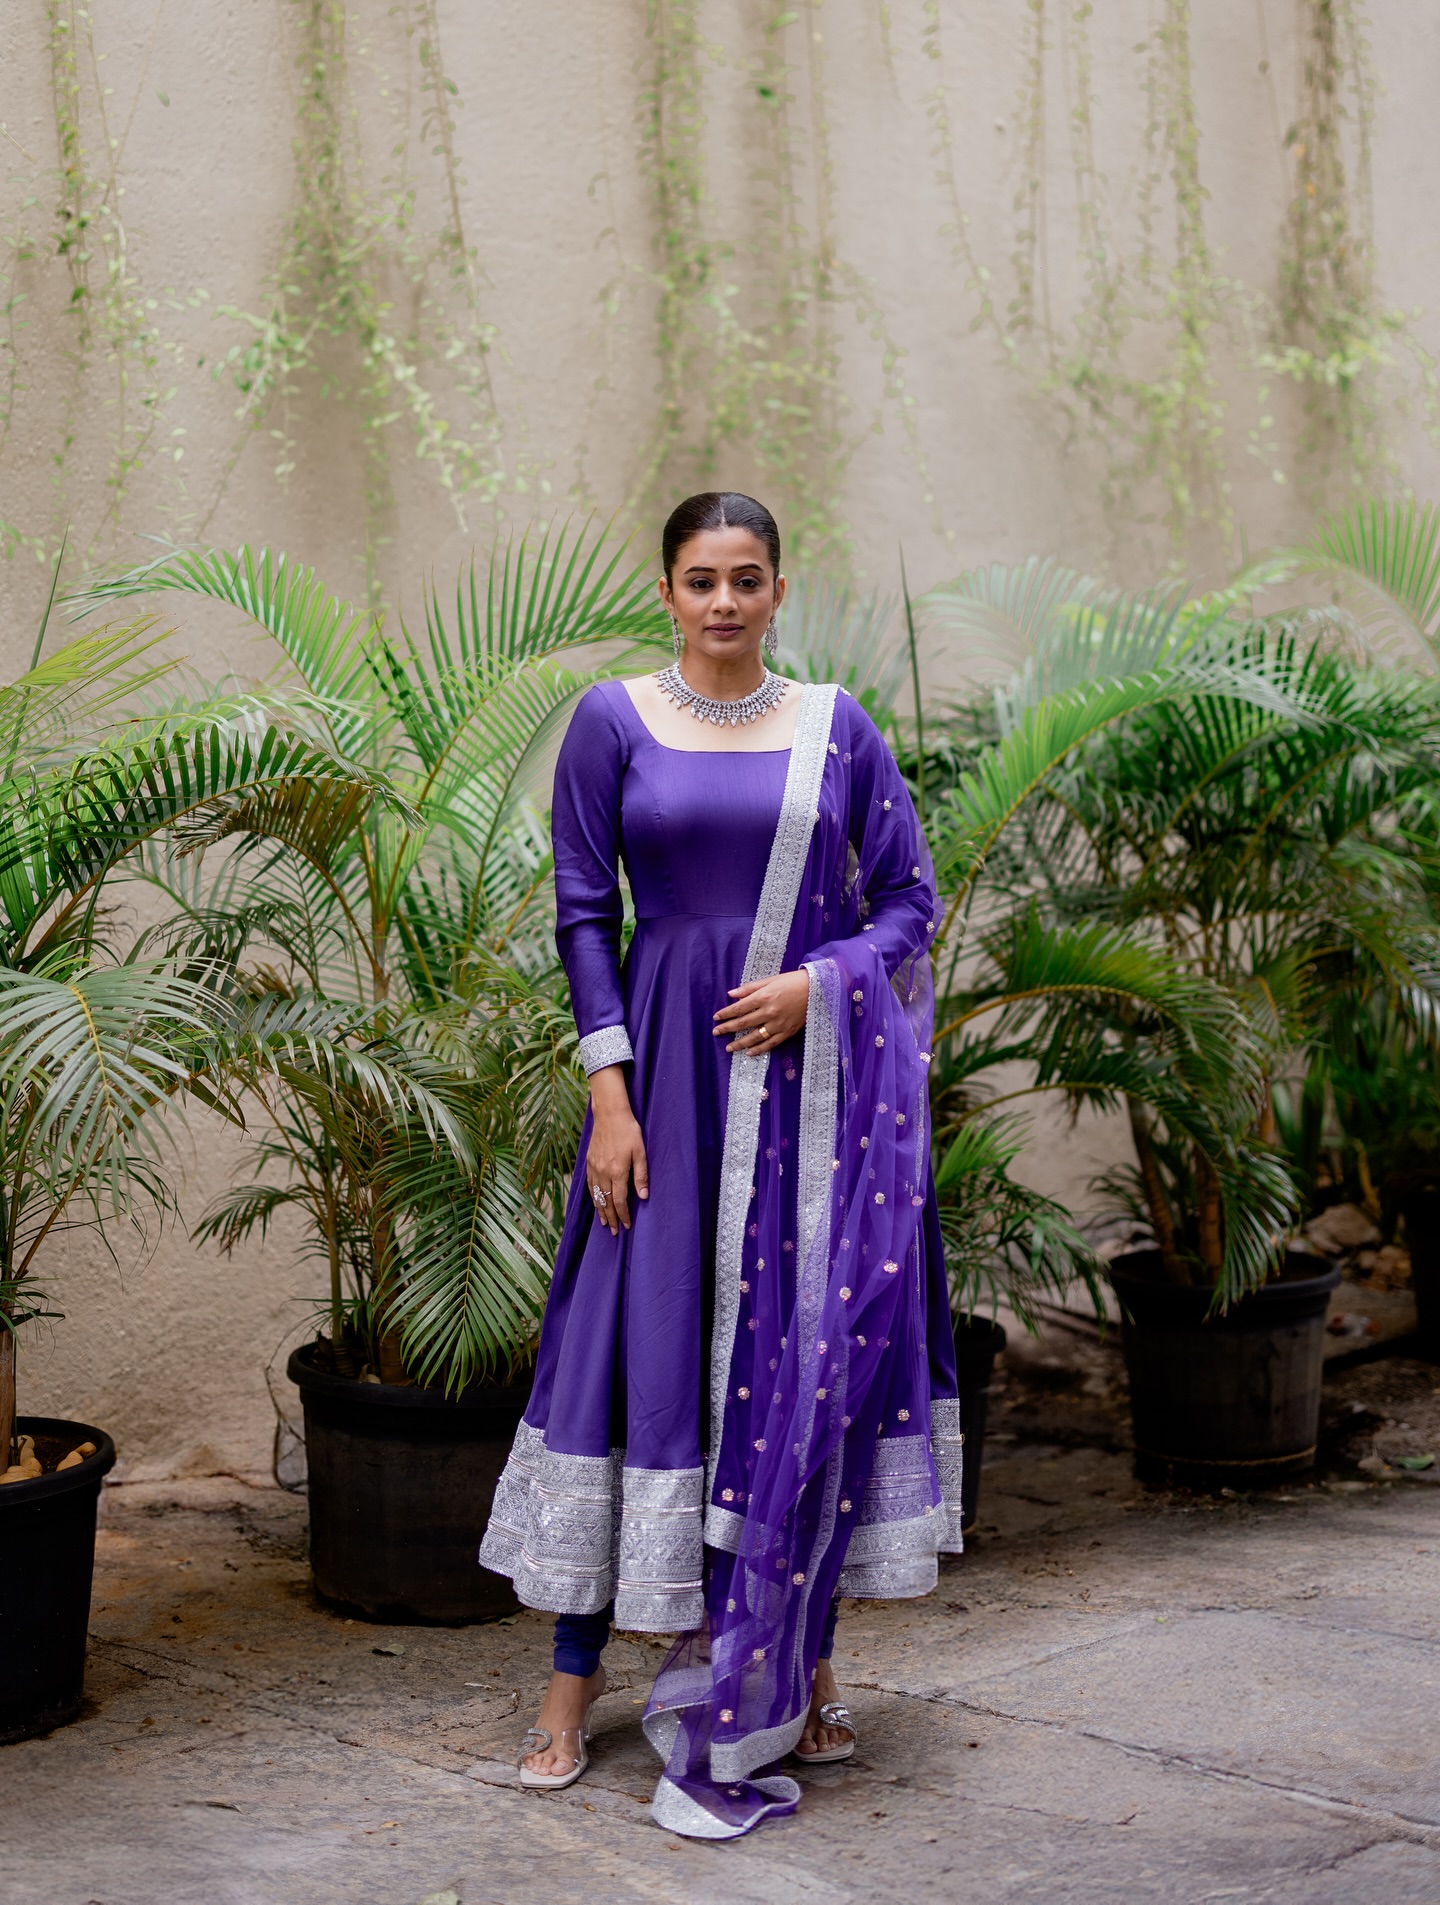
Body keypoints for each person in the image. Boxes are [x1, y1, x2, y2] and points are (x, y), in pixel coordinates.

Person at [480, 491, 962, 1840]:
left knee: (798, 1366)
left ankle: (802, 1668)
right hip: (666, 1090)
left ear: (778, 589)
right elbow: (584, 911)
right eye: (702, 579)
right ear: (668, 591)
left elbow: (910, 900)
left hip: (809, 1108)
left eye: (748, 578)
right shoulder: (613, 721)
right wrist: (610, 1094)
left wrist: (822, 984)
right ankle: (571, 1685)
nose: (725, 602)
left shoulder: (836, 726)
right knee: (630, 1353)